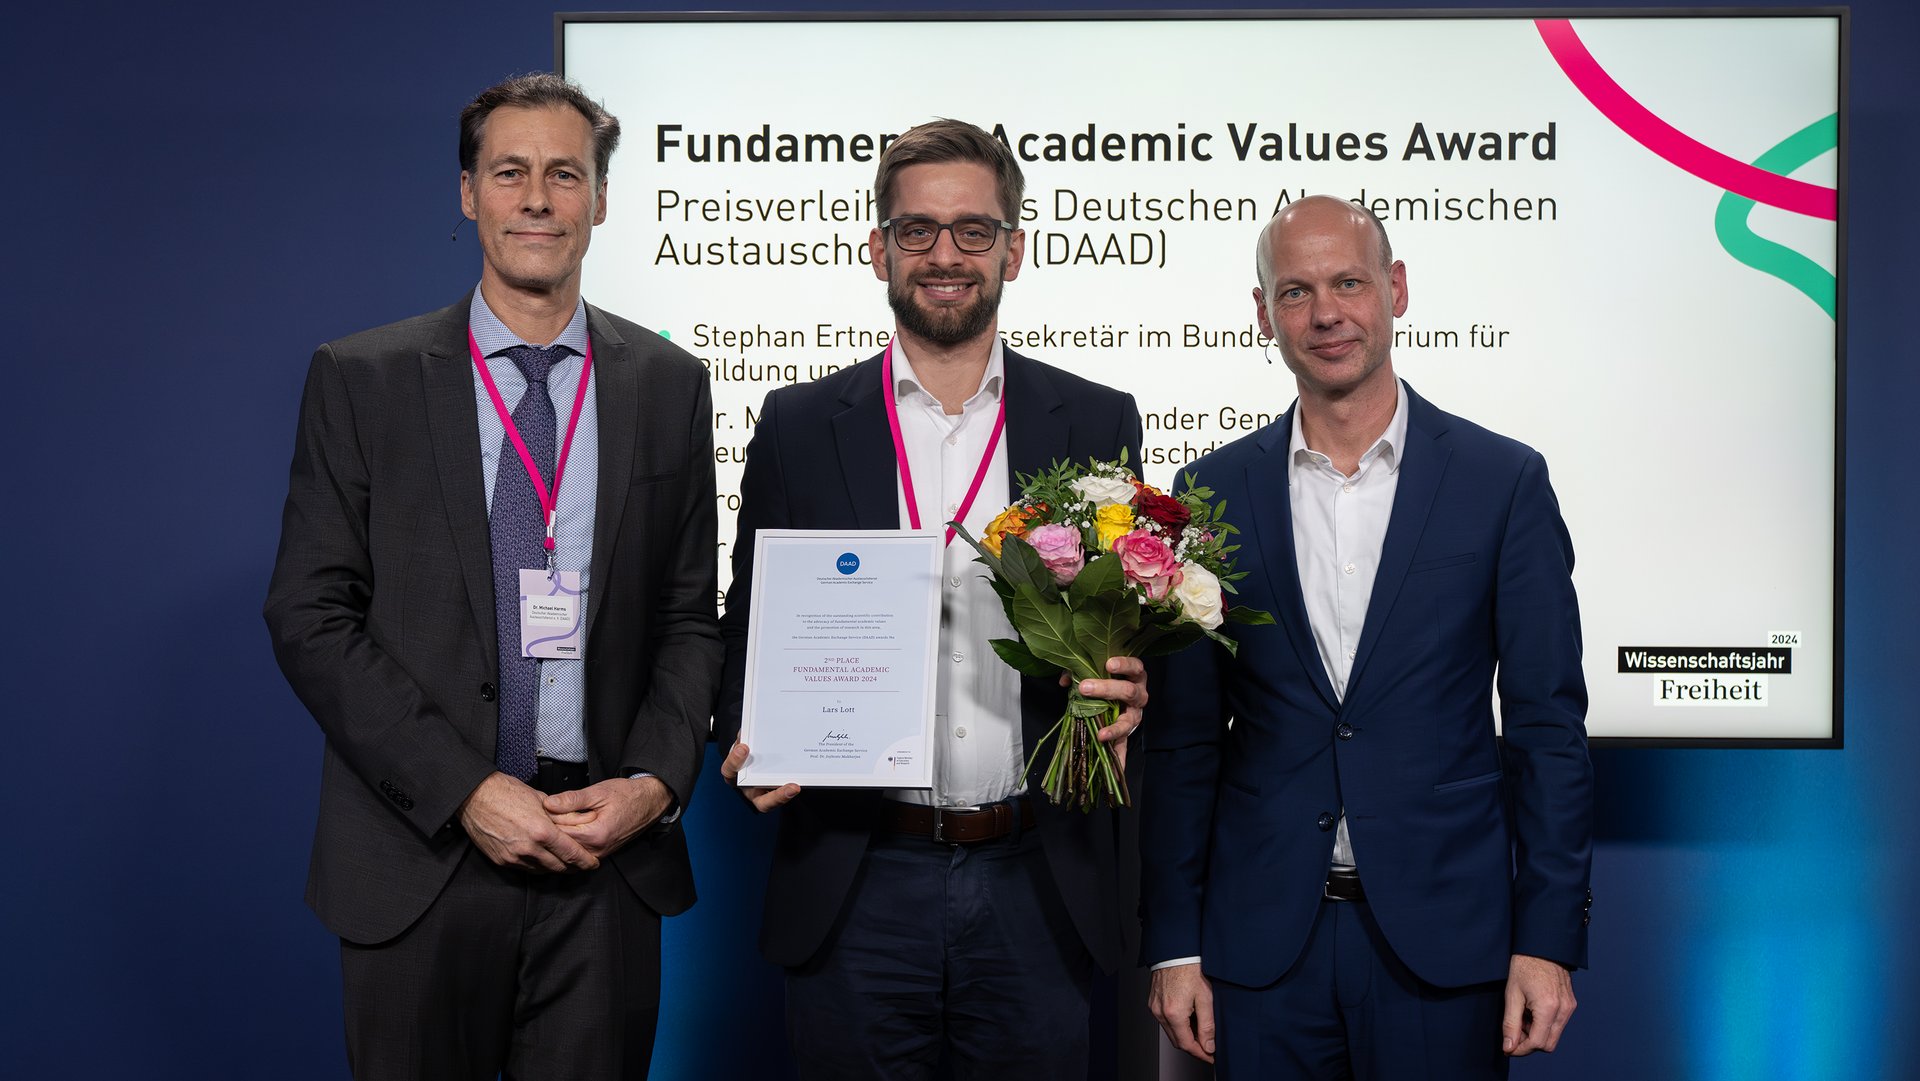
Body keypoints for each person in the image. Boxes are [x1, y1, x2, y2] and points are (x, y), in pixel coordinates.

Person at [263, 73, 721, 1080]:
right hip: (419, 853)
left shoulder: (668, 382)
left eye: (566, 175)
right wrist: (465, 788)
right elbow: (310, 613)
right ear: (468, 193)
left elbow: (692, 617)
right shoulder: (362, 376)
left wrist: (652, 783)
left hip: (605, 863)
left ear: (600, 199)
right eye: (510, 172)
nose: (538, 200)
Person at [713, 118, 1147, 1080]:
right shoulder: (796, 422)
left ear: (1015, 249)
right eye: (916, 230)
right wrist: (744, 735)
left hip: (1039, 871)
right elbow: (748, 624)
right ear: (878, 248)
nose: (945, 255)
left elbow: (1121, 625)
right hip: (858, 875)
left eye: (973, 231)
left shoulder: (1095, 417)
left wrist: (1131, 686)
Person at [1141, 195, 1593, 1079]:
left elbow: (1548, 729)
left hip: (1446, 947)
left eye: (1349, 282)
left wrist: (1548, 938)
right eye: (1296, 291)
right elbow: (1185, 742)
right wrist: (1172, 942)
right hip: (1263, 949)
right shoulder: (1208, 493)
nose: (1326, 314)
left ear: (1396, 289)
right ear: (1263, 313)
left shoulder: (1502, 482)